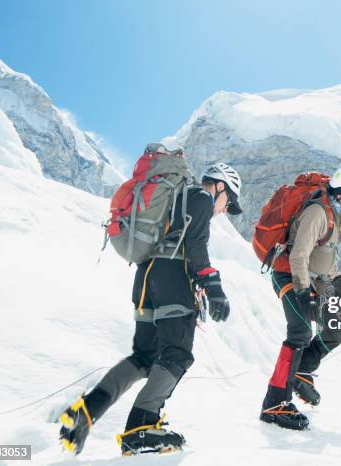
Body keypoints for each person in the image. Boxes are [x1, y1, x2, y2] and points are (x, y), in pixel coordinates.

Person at [58, 162, 243, 455]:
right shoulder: (200, 198)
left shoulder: (178, 197)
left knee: (145, 357)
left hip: (146, 278)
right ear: (219, 186)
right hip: (172, 278)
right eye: (228, 201)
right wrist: (213, 284)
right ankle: (141, 427)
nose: (224, 210)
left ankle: (87, 411)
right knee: (177, 355)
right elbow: (195, 242)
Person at [260, 167, 341, 430]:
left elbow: (326, 254)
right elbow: (299, 255)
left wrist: (338, 282)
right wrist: (301, 291)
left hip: (314, 282)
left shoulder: (335, 217)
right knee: (299, 333)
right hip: (290, 278)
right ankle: (274, 404)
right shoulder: (318, 212)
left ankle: (303, 371)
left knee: (339, 323)